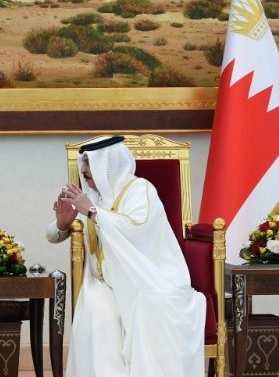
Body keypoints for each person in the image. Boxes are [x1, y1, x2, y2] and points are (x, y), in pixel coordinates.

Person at [45, 136, 205, 377]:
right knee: (99, 319)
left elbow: (137, 228)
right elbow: (52, 236)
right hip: (103, 284)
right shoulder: (92, 197)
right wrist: (61, 223)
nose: (84, 170)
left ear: (108, 163)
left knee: (153, 307)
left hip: (145, 278)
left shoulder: (140, 190)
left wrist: (92, 212)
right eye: (83, 163)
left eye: (89, 163)